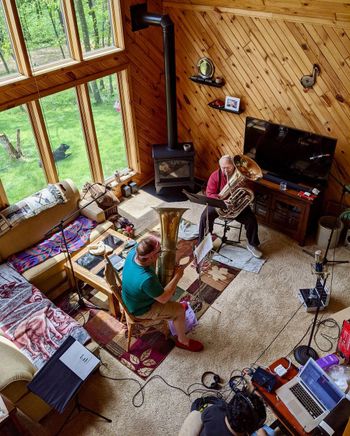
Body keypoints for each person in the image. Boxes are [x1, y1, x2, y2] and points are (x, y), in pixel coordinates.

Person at [122, 235, 203, 352]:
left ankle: (172, 311)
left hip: (131, 297)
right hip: (141, 309)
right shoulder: (146, 279)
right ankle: (182, 341)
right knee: (180, 310)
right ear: (150, 257)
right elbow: (164, 298)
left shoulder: (134, 251)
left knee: (167, 290)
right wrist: (177, 276)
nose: (161, 253)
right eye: (159, 252)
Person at [198, 155, 262, 259]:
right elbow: (209, 193)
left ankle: (252, 244)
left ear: (233, 165)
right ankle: (203, 244)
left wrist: (244, 187)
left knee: (251, 220)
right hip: (219, 203)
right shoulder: (215, 176)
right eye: (223, 168)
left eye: (228, 167)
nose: (225, 170)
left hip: (236, 205)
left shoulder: (243, 175)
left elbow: (250, 191)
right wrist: (222, 201)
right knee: (205, 216)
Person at [179, 391, 274, 436]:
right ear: (251, 429)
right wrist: (262, 432)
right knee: (269, 432)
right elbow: (261, 432)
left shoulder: (213, 411)